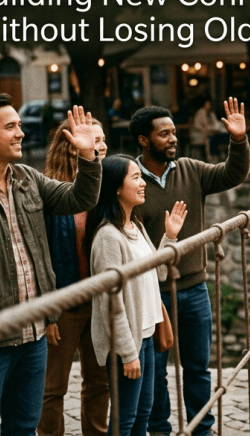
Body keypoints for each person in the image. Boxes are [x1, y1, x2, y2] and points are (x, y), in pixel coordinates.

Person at [0, 96, 102, 436]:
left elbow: (80, 198)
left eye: (20, 125)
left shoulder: (28, 179)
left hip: (33, 338)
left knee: (24, 428)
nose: (21, 133)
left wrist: (88, 156)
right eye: (10, 126)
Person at [130, 99, 250, 436]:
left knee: (198, 367)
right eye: (164, 134)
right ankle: (159, 430)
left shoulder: (190, 169)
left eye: (173, 132)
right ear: (143, 140)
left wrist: (238, 139)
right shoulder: (131, 179)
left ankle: (202, 430)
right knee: (155, 370)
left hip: (194, 288)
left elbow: (232, 174)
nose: (173, 138)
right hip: (152, 292)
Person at [88, 155, 187, 436]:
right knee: (125, 419)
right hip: (127, 342)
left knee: (143, 412)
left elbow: (158, 274)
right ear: (116, 188)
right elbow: (110, 302)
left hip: (146, 333)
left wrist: (169, 237)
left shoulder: (136, 226)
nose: (143, 183)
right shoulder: (108, 237)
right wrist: (127, 353)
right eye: (135, 177)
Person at [39, 118, 111, 436]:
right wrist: (47, 314)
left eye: (103, 139)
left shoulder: (108, 189)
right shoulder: (48, 193)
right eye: (95, 140)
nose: (102, 146)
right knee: (52, 387)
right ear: (72, 147)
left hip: (100, 302)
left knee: (99, 383)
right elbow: (40, 257)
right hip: (63, 305)